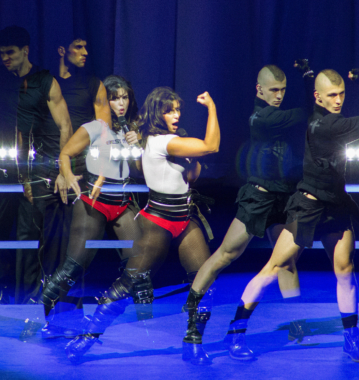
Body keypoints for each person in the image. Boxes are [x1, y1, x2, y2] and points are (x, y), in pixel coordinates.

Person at [220, 68, 359, 363]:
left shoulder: (319, 114)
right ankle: (235, 332)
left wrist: (308, 74)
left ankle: (352, 339)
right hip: (308, 208)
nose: (338, 101)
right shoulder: (328, 126)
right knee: (274, 267)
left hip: (335, 206)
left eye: (342, 94)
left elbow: (317, 96)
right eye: (332, 96)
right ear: (318, 98)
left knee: (345, 269)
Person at [64, 87, 220, 364]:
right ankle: (88, 337)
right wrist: (211, 107)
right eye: (169, 110)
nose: (176, 114)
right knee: (130, 282)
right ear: (157, 113)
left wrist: (191, 159)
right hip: (158, 220)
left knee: (205, 282)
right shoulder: (162, 142)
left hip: (184, 217)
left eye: (178, 109)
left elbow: (192, 176)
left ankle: (193, 342)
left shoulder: (171, 141)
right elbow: (211, 146)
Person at [182, 63, 312, 361]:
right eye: (274, 90)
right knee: (225, 256)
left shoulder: (275, 112)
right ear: (260, 90)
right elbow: (306, 113)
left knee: (287, 261)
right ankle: (192, 328)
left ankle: (294, 323)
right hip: (258, 199)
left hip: (283, 198)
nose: (279, 95)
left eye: (283, 91)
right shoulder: (263, 117)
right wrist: (308, 80)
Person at [38, 75, 142, 338]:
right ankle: (51, 321)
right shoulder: (95, 127)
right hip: (93, 203)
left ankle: (102, 314)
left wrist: (137, 146)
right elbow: (65, 154)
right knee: (73, 267)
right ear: (104, 101)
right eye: (115, 97)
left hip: (122, 201)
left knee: (140, 264)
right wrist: (69, 175)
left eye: (125, 97)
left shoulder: (128, 131)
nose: (121, 103)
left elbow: (140, 170)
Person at [0, 25, 62, 304]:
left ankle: (28, 294)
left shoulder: (43, 79)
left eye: (10, 53)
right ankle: (0, 288)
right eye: (1, 53)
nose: (5, 58)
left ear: (25, 51)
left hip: (32, 172)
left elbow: (61, 123)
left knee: (29, 234)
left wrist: (58, 165)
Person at [30, 36, 112, 294]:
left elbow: (104, 132)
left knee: (76, 239)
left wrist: (93, 173)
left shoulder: (92, 84)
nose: (85, 52)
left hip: (79, 170)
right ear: (61, 49)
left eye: (87, 46)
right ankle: (42, 295)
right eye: (79, 47)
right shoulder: (44, 83)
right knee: (46, 237)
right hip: (45, 169)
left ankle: (69, 301)